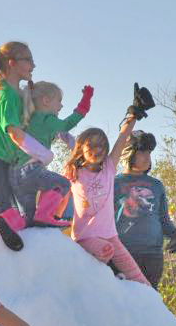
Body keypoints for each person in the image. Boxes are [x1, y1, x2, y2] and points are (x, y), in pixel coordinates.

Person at [65, 118, 151, 285]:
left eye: (102, 145)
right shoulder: (75, 173)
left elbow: (122, 137)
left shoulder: (109, 168)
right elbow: (57, 193)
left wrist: (134, 115)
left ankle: (152, 303)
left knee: (140, 280)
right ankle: (97, 284)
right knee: (105, 251)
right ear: (81, 147)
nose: (98, 149)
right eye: (92, 145)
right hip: (85, 237)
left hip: (110, 235)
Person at [0, 42, 39, 251]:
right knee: (6, 214)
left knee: (27, 213)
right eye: (29, 59)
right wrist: (42, 154)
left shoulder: (18, 94)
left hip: (11, 162)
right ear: (12, 63)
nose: (33, 64)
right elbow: (14, 133)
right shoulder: (4, 94)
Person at [9, 80, 92, 228]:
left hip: (15, 175)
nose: (61, 106)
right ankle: (45, 215)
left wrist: (72, 143)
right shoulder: (47, 118)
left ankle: (13, 229)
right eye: (59, 101)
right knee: (62, 184)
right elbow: (67, 124)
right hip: (31, 171)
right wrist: (84, 104)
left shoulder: (31, 119)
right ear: (46, 101)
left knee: (29, 220)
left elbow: (61, 133)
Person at [114, 130, 176, 286]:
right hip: (121, 254)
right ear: (128, 154)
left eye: (149, 153)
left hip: (152, 256)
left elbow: (164, 219)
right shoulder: (113, 183)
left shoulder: (157, 185)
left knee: (149, 302)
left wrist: (175, 234)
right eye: (142, 153)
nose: (147, 157)